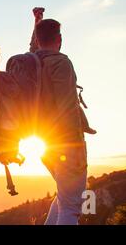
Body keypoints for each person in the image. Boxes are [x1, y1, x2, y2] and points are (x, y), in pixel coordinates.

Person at [29, 13, 89, 225]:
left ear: (37, 40)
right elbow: (66, 107)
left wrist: (36, 22)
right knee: (72, 205)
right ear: (60, 39)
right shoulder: (60, 62)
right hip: (65, 141)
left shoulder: (32, 63)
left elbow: (32, 49)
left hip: (41, 141)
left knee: (65, 197)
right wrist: (76, 145)